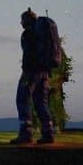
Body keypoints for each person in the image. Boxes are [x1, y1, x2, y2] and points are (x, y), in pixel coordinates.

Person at [12, 8, 56, 145]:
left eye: (22, 19)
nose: (20, 23)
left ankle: (26, 133)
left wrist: (27, 69)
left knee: (22, 99)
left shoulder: (28, 33)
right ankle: (48, 133)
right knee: (41, 102)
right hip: (45, 72)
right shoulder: (42, 32)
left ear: (27, 20)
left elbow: (28, 52)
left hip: (31, 71)